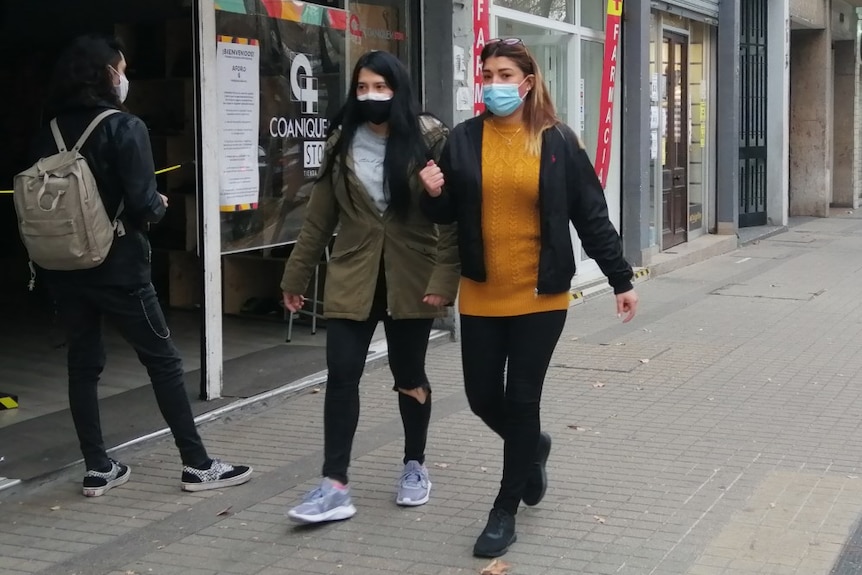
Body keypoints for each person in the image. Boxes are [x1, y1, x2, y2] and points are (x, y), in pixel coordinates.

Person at [418, 38, 639, 558]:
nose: (493, 84)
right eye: (487, 74)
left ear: (528, 81)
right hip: (480, 293)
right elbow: (447, 214)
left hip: (540, 295)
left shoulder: (558, 140)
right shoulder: (464, 139)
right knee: (481, 398)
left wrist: (621, 279)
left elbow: (591, 215)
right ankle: (533, 445)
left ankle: (504, 509)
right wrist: (432, 193)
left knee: (522, 399)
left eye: (503, 75)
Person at [29, 35, 252, 497]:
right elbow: (145, 205)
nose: (125, 77)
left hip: (63, 266)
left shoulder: (47, 128)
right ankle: (197, 464)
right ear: (107, 74)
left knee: (82, 365)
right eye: (122, 69)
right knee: (163, 363)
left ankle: (98, 467)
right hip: (120, 268)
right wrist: (160, 203)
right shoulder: (124, 127)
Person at [280, 51, 459, 524]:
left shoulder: (430, 139)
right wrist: (295, 276)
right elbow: (319, 220)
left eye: (380, 87)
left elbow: (454, 217)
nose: (370, 97)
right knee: (341, 375)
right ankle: (334, 484)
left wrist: (445, 277)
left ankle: (414, 465)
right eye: (362, 88)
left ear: (397, 90)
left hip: (411, 278)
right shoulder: (341, 143)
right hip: (353, 276)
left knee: (409, 376)